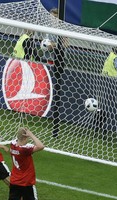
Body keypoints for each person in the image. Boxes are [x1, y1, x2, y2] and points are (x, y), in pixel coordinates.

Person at [42, 8, 67, 138]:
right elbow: (45, 44)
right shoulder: (48, 31)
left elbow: (66, 44)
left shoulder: (62, 30)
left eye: (54, 17)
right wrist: (51, 45)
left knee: (56, 90)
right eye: (51, 16)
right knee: (48, 89)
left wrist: (56, 45)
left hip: (58, 63)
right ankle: (49, 115)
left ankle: (55, 118)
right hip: (47, 61)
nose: (52, 19)